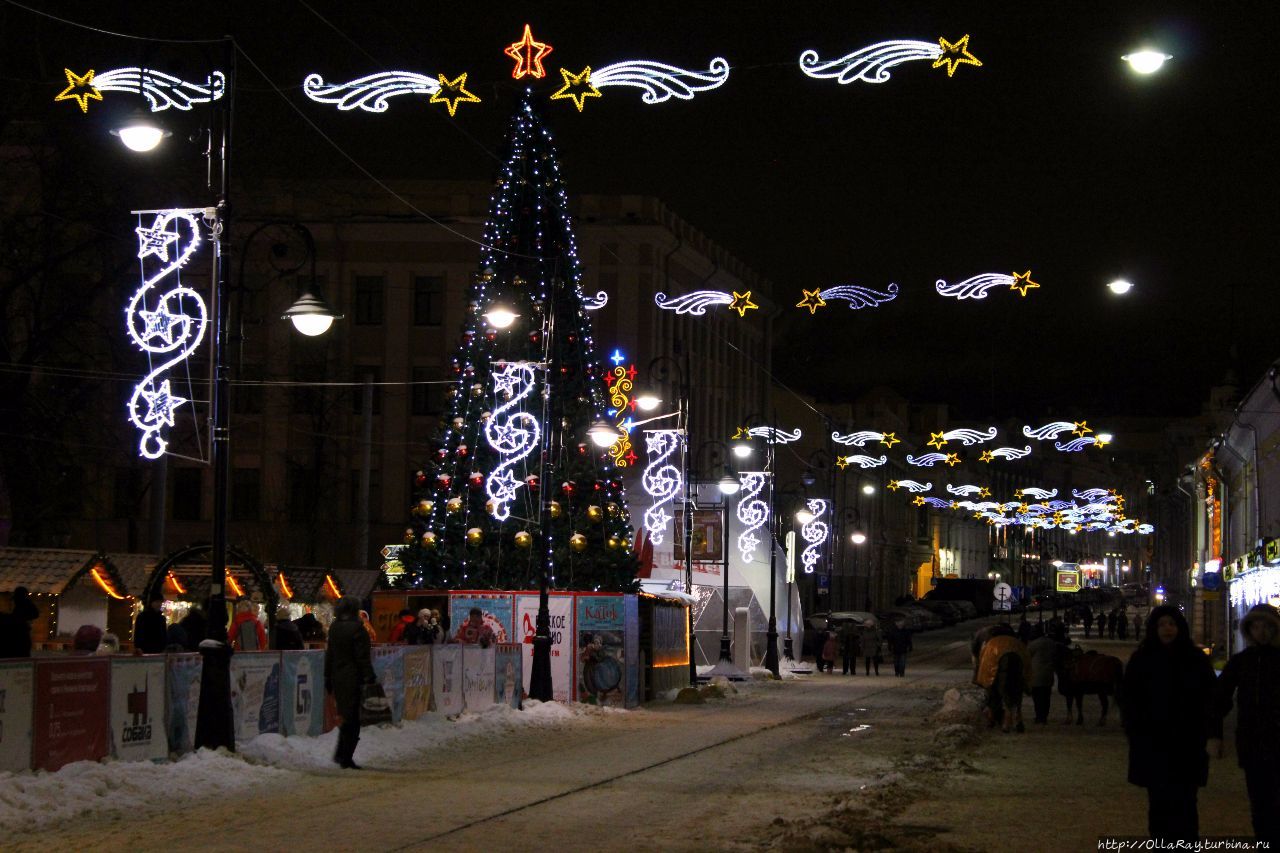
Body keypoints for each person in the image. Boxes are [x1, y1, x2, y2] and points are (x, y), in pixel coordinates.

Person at [1122, 605, 1216, 842]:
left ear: (1180, 628)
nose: (1167, 629)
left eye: (1171, 624)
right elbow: (1128, 699)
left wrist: (1208, 733)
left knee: (1186, 802)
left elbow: (1210, 699)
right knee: (1158, 803)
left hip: (1187, 744)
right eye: (1162, 625)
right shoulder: (1142, 659)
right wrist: (1135, 731)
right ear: (1153, 629)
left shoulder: (1195, 660)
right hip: (1153, 744)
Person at [1212, 603, 1280, 845]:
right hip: (1251, 742)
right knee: (1260, 803)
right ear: (1249, 630)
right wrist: (1215, 734)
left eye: (1267, 627)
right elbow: (1220, 699)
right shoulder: (1242, 661)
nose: (1261, 631)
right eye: (1256, 626)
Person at [325, 595, 376, 769]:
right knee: (353, 718)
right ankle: (345, 756)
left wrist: (327, 677)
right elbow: (362, 657)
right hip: (354, 677)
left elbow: (330, 655)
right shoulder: (358, 629)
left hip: (337, 676)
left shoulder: (334, 628)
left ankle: (342, 754)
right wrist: (369, 676)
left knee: (346, 715)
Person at [1027, 624, 1058, 724]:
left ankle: (1039, 716)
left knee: (1037, 697)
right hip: (1048, 673)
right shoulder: (1051, 643)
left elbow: (1027, 657)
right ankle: (1044, 716)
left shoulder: (1033, 644)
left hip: (1036, 674)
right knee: (1046, 696)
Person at [0, 586, 39, 658]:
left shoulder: (25, 604)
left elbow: (35, 614)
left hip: (19, 635)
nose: (14, 601)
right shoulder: (22, 604)